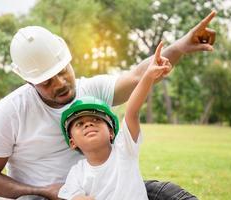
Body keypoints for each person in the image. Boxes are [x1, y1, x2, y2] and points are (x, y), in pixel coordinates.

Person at [0, 10, 216, 200]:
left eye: (63, 71)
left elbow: (137, 76)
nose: (60, 84)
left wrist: (179, 46)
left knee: (163, 193)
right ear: (28, 80)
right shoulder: (9, 113)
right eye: (47, 81)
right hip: (45, 197)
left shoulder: (91, 89)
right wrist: (45, 191)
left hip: (104, 189)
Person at [58, 41, 171, 200]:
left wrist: (148, 76)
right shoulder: (77, 172)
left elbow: (132, 110)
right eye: (79, 124)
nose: (89, 124)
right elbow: (72, 196)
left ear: (111, 132)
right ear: (72, 142)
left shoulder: (124, 149)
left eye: (96, 119)